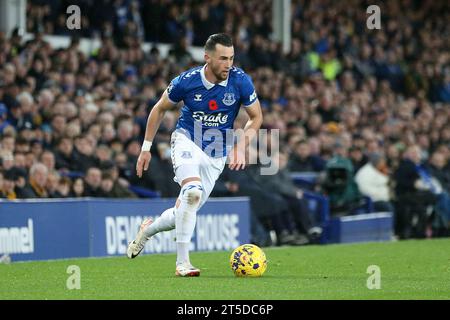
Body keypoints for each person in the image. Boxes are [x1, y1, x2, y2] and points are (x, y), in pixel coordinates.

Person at [127, 33, 263, 277]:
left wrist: (241, 145)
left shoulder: (240, 81)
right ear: (207, 57)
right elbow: (159, 109)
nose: (228, 64)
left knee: (183, 210)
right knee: (192, 193)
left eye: (231, 58)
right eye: (223, 58)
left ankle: (147, 230)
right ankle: (182, 264)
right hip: (187, 140)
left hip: (217, 154)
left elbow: (256, 117)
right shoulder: (186, 81)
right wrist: (145, 148)